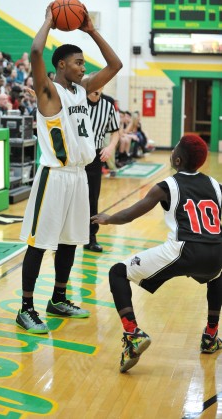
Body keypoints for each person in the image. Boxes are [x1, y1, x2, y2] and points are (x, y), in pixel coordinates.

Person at [16, 1, 122, 334]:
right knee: (39, 242)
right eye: (77, 62)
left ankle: (58, 298)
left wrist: (91, 30)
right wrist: (48, 21)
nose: (82, 67)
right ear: (61, 65)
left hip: (79, 176)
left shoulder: (82, 90)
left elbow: (115, 63)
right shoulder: (49, 91)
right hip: (54, 176)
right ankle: (26, 307)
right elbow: (35, 52)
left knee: (70, 241)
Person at [91, 135, 222, 373]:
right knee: (216, 275)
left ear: (178, 159)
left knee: (117, 272)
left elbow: (132, 213)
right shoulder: (216, 185)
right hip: (215, 252)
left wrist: (108, 218)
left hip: (182, 250)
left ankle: (132, 334)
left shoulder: (167, 185)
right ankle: (211, 336)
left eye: (174, 150)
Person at [83, 86, 119, 252]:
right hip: (76, 155)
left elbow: (116, 132)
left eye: (101, 84)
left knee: (92, 198)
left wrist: (110, 147)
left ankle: (91, 238)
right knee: (69, 197)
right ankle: (60, 238)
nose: (98, 87)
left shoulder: (108, 104)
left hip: (95, 155)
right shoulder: (78, 100)